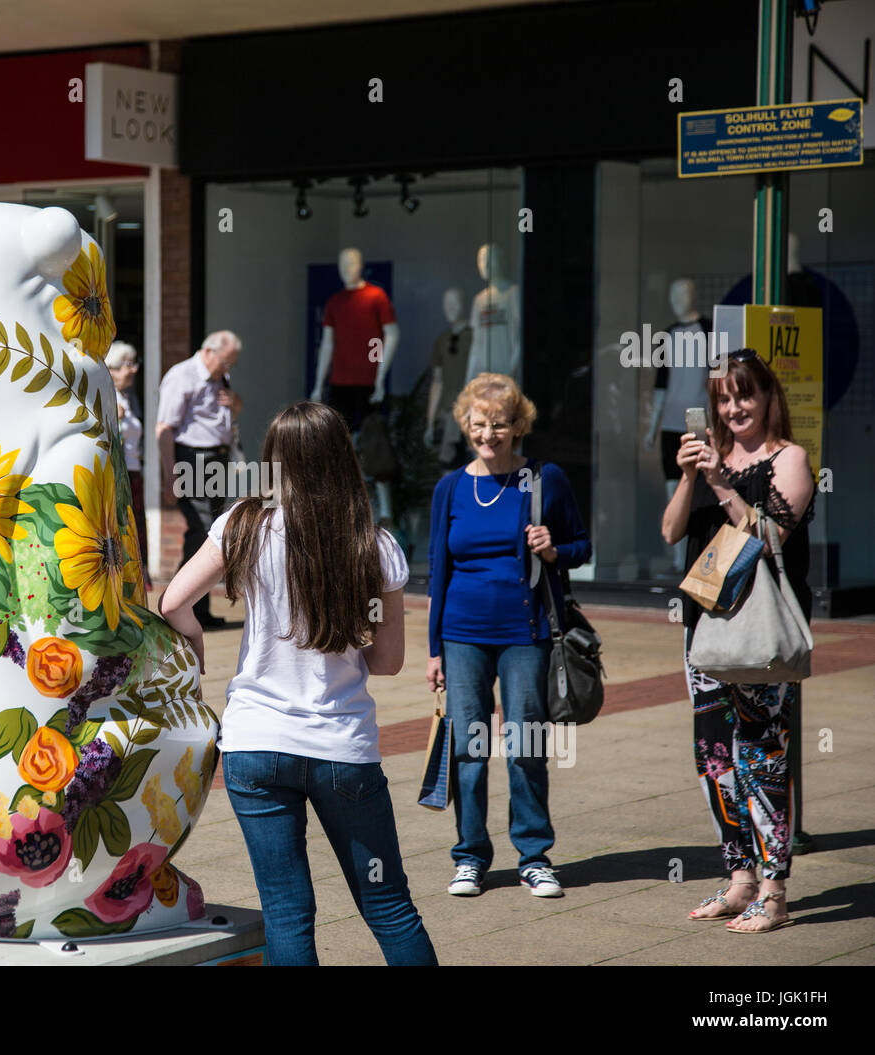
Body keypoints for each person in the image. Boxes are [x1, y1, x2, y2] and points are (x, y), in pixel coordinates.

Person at [160, 401, 436, 966]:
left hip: (254, 746)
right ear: (342, 458)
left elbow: (172, 601)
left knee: (286, 911)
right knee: (387, 905)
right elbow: (387, 664)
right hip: (341, 750)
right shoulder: (373, 544)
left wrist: (196, 644)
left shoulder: (243, 524)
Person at [661, 348, 814, 933]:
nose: (734, 407)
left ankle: (774, 893)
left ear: (768, 395)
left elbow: (770, 534)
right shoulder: (710, 458)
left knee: (764, 758)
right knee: (715, 761)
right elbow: (672, 530)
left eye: (744, 394)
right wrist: (688, 477)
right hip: (706, 631)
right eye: (724, 398)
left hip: (760, 637)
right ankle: (740, 878)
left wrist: (724, 485)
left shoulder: (790, 459)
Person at [425, 373, 590, 899]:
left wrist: (554, 551)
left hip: (526, 632)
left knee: (526, 746)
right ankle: (470, 857)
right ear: (465, 425)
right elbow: (438, 572)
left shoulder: (545, 479)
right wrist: (434, 650)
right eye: (479, 424)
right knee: (469, 752)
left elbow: (582, 546)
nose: (488, 434)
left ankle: (534, 856)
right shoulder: (450, 487)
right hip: (462, 635)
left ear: (518, 425)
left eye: (499, 424)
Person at [156, 330, 243, 628]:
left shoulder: (221, 379)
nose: (227, 369)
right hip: (193, 459)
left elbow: (227, 418)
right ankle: (180, 603)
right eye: (226, 362)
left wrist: (236, 404)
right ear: (209, 352)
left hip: (217, 458)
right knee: (204, 531)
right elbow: (164, 428)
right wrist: (170, 475)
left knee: (213, 530)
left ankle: (197, 608)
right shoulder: (182, 376)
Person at [106, 340, 151, 588]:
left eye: (134, 364)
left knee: (135, 531)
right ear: (110, 369)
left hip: (133, 472)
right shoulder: (106, 398)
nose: (133, 370)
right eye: (126, 365)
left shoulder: (127, 398)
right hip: (118, 477)